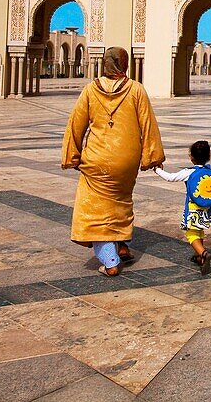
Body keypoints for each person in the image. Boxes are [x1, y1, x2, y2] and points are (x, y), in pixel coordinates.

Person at [61, 47, 164, 277]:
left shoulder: (90, 90)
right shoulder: (136, 89)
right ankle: (122, 244)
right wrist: (152, 156)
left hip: (97, 157)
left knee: (95, 209)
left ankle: (110, 260)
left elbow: (76, 124)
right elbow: (148, 124)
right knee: (120, 201)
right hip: (127, 159)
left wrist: (72, 156)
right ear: (125, 64)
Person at [154, 140, 211, 275]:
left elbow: (170, 178)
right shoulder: (210, 171)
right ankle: (199, 256)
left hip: (193, 209)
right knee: (199, 230)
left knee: (191, 233)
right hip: (207, 210)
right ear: (210, 155)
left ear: (191, 157)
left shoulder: (189, 172)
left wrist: (157, 170)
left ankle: (203, 253)